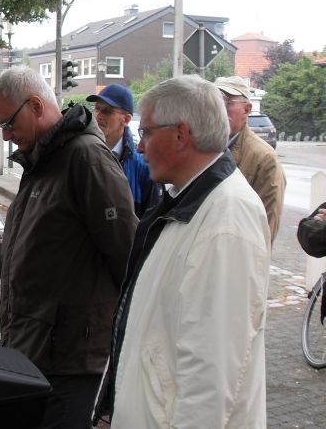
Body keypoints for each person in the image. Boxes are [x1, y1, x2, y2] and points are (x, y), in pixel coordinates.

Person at [93, 75, 270, 428]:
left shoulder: (225, 221)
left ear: (181, 134)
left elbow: (212, 374)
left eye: (146, 133)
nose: (139, 148)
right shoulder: (186, 201)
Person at [0, 66, 137, 429]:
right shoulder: (45, 156)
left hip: (69, 362)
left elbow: (126, 256)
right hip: (35, 351)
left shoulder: (86, 158)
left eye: (8, 122)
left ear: (36, 105)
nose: (6, 135)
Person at [215, 75, 286, 243]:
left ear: (246, 109)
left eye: (227, 103)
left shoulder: (264, 158)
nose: (219, 109)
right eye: (215, 102)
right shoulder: (202, 146)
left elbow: (267, 227)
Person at [87, 83, 160, 217]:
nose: (98, 115)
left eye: (107, 111)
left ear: (126, 119)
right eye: (97, 108)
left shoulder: (143, 167)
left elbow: (150, 221)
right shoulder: (82, 155)